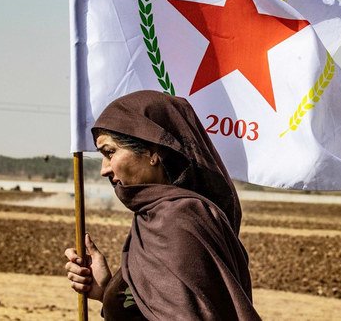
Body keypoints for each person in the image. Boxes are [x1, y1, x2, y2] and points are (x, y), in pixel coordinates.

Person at [64, 90, 261, 320]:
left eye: (110, 152)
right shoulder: (155, 218)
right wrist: (106, 290)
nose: (104, 169)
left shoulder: (177, 220)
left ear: (152, 152)